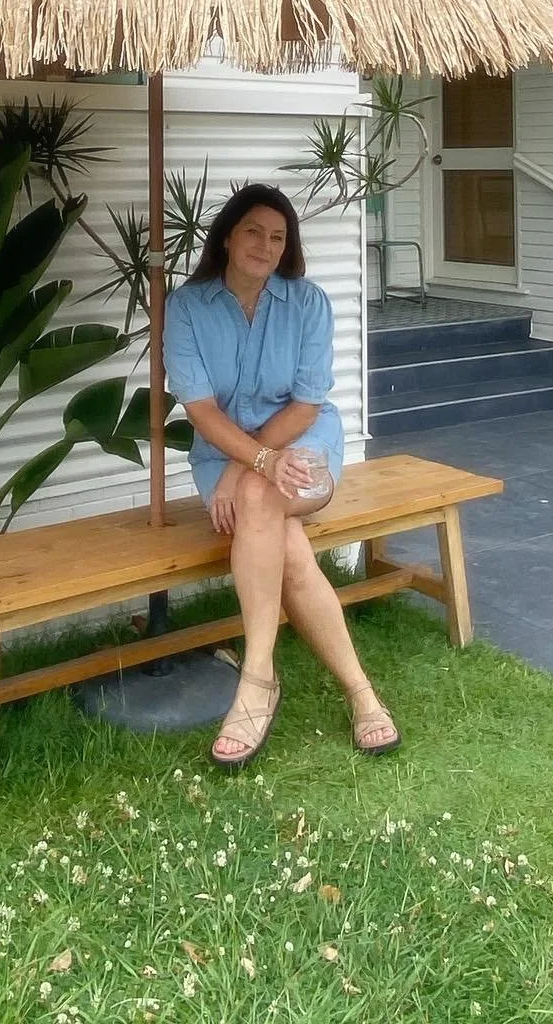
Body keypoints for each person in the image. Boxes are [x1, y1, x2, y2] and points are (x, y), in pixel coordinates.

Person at [164, 183, 401, 768]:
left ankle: (257, 679)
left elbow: (305, 405)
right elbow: (201, 410)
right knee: (286, 543)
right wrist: (248, 466)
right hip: (225, 455)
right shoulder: (187, 307)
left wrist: (255, 465)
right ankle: (360, 694)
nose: (265, 245)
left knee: (254, 492)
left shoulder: (308, 303)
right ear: (226, 234)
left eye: (278, 236)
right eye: (253, 230)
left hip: (305, 443)